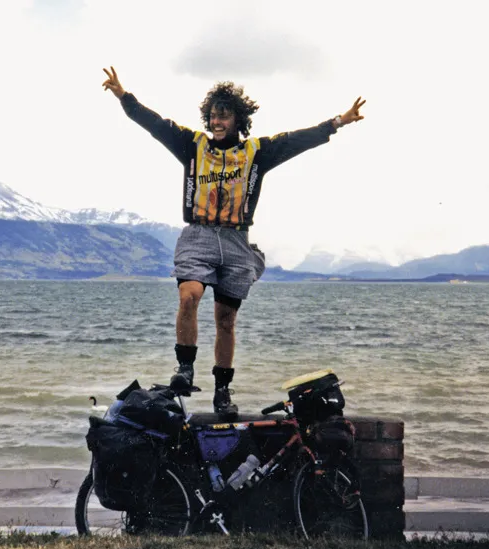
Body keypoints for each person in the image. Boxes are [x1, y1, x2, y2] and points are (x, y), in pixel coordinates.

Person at [102, 66, 366, 417]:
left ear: (237, 119)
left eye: (223, 115)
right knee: (189, 295)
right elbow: (156, 124)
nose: (216, 121)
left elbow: (295, 139)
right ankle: (184, 369)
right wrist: (124, 96)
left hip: (238, 241)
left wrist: (337, 122)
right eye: (212, 115)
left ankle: (222, 391)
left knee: (226, 319)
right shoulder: (192, 145)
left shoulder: (256, 152)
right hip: (198, 236)